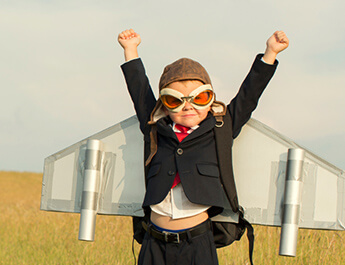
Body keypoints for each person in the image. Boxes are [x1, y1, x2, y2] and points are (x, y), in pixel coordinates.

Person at [118, 29, 289, 265]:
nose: (188, 107)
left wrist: (270, 53)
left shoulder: (220, 128)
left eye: (199, 98)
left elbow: (249, 96)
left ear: (210, 99)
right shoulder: (155, 127)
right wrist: (131, 50)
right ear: (164, 106)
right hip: (153, 242)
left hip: (197, 243)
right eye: (175, 100)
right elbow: (139, 92)